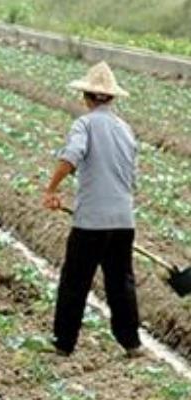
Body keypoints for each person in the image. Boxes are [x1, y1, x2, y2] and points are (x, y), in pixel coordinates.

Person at [42, 61, 144, 358]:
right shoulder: (126, 130)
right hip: (123, 220)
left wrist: (51, 190)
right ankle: (132, 343)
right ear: (111, 98)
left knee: (75, 281)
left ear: (86, 97)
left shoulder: (84, 124)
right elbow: (132, 178)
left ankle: (64, 344)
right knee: (121, 283)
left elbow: (72, 156)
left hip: (91, 223)